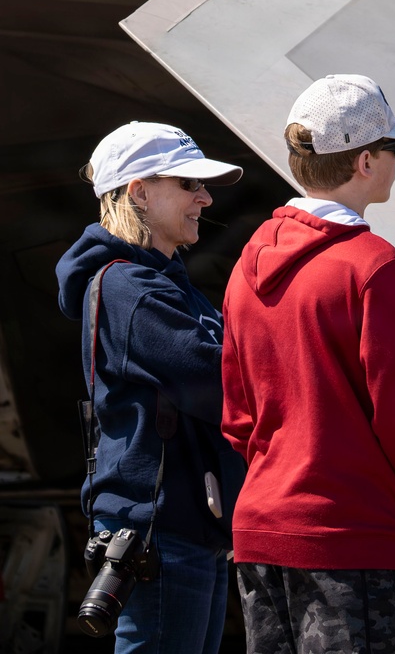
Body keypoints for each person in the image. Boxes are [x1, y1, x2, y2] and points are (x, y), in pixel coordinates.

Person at [221, 74, 395, 654]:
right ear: (366, 161)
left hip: (261, 527)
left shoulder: (248, 262)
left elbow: (238, 415)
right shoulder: (373, 266)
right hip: (351, 533)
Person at [56, 121, 246, 654]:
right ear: (139, 193)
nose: (205, 198)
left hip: (185, 531)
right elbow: (220, 382)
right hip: (163, 534)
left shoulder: (162, 284)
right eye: (189, 184)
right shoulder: (127, 287)